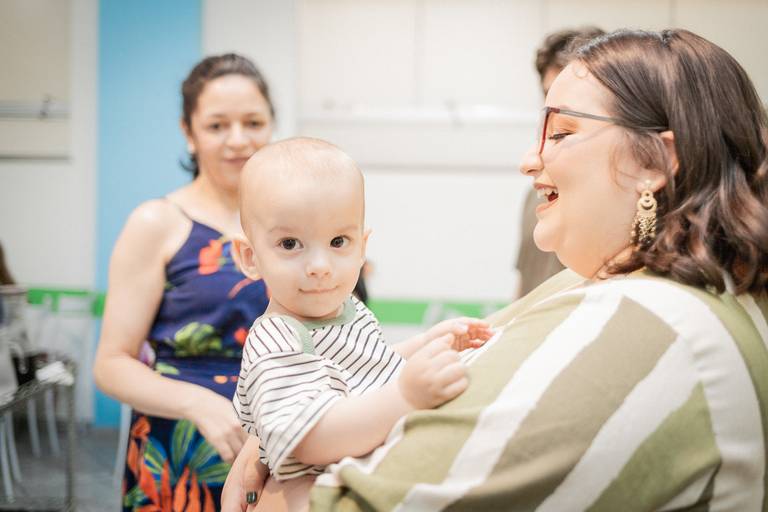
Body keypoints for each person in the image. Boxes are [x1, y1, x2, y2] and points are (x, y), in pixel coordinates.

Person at [223, 28, 768, 511]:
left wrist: (283, 480)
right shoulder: (604, 281)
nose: (529, 160)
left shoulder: (651, 326)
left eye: (561, 133)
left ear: (654, 161)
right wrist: (278, 434)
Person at [230, 137, 493, 497]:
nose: (320, 266)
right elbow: (311, 439)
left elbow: (365, 368)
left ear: (362, 248)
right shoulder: (277, 340)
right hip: (315, 490)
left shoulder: (348, 310)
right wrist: (405, 397)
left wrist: (426, 344)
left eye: (338, 241)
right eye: (290, 244)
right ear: (250, 257)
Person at [93, 53, 276, 511]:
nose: (238, 139)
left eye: (253, 122)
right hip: (181, 452)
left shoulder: (289, 222)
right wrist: (200, 404)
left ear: (271, 125)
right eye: (217, 125)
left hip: (279, 449)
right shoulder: (157, 222)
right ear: (189, 133)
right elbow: (111, 364)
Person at [515, 27, 605, 297]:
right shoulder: (535, 195)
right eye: (548, 94)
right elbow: (526, 282)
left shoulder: (612, 201)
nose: (553, 107)